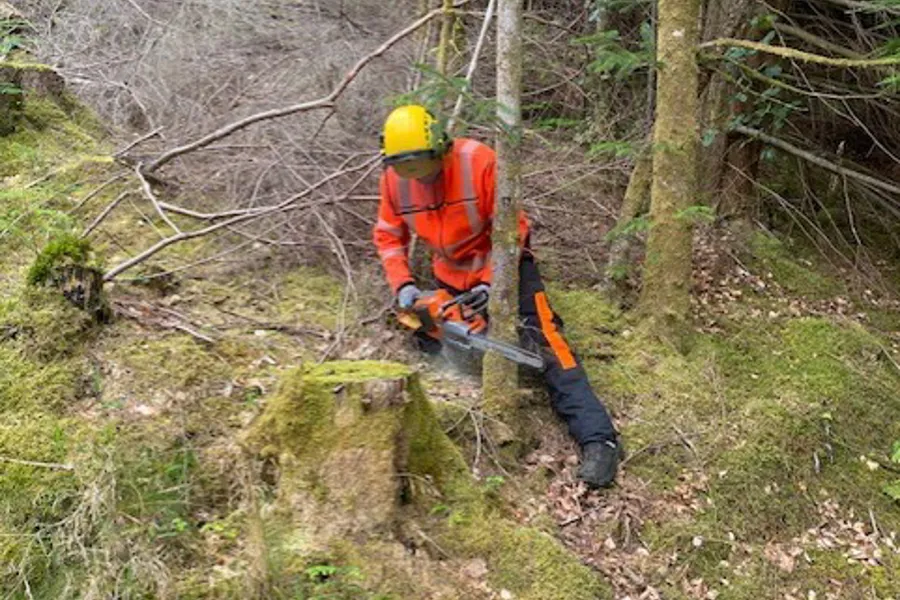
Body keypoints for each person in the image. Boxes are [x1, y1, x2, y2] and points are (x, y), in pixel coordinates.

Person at [372, 105, 621, 488]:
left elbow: (513, 227)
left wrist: (493, 282)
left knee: (549, 344)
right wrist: (402, 283)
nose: (415, 176)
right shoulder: (394, 180)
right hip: (450, 274)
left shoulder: (478, 162)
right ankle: (467, 359)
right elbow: (389, 235)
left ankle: (598, 438)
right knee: (425, 322)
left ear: (440, 147)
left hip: (504, 268)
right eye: (404, 167)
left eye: (422, 164)